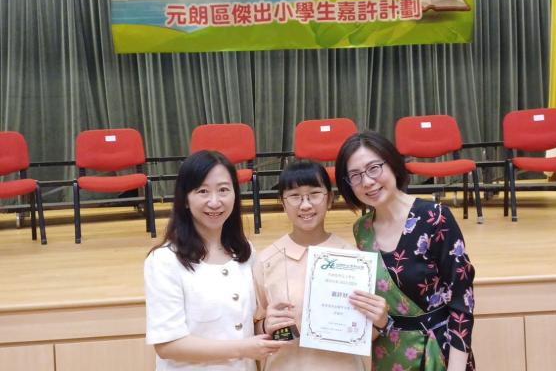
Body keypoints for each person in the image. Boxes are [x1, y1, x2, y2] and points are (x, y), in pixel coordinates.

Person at [335, 131, 476, 371]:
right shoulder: (362, 230)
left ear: (392, 163)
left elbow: (463, 300)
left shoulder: (434, 217)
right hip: (389, 356)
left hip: (439, 353)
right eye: (355, 175)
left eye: (373, 168)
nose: (367, 181)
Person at [144, 150, 288, 371]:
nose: (215, 202)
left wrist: (267, 324)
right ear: (185, 200)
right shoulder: (164, 260)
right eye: (203, 191)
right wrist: (242, 349)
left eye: (223, 190)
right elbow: (168, 345)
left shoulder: (244, 251)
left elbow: (247, 325)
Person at [253, 160, 388, 371]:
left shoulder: (356, 260)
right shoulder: (266, 261)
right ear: (282, 203)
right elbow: (251, 329)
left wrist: (380, 321)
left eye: (315, 194)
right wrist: (264, 326)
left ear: (330, 199)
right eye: (295, 196)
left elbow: (364, 334)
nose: (305, 205)